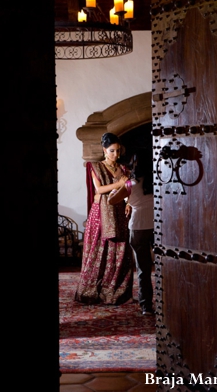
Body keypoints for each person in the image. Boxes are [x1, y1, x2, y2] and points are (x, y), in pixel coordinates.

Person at [74, 132, 133, 305]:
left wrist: (129, 202)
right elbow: (99, 189)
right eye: (112, 151)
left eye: (118, 150)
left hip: (119, 213)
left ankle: (115, 292)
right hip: (100, 215)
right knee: (99, 251)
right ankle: (93, 291)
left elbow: (129, 189)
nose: (116, 154)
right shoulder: (95, 167)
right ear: (104, 150)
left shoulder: (123, 169)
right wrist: (120, 183)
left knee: (120, 252)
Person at [125, 151, 154, 316]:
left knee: (143, 269)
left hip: (138, 227)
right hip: (158, 226)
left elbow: (112, 198)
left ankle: (146, 306)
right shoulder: (159, 181)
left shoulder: (131, 184)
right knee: (165, 267)